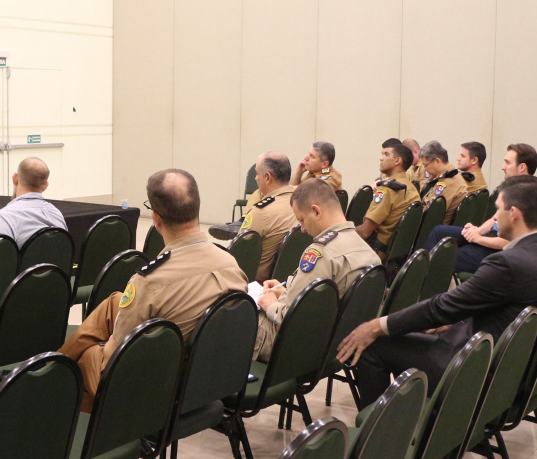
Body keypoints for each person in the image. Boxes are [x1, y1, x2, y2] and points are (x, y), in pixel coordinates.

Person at [336, 176, 537, 406]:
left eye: (497, 210)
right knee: (416, 328)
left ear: (513, 214)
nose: (494, 217)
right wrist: (454, 323)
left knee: (372, 344)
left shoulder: (508, 263)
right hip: (511, 371)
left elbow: (442, 307)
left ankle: (381, 429)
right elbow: (506, 311)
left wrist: (377, 325)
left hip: (471, 369)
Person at [59, 169, 247, 411]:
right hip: (207, 375)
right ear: (196, 208)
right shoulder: (230, 264)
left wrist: (100, 348)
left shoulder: (149, 281)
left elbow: (114, 356)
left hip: (157, 390)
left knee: (85, 357)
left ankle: (55, 373)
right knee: (114, 301)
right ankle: (58, 362)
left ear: (156, 219)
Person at [252, 179, 379, 361]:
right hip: (338, 342)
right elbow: (324, 300)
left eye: (302, 220)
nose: (302, 229)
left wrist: (270, 305)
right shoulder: (368, 252)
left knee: (229, 319)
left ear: (316, 211)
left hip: (297, 346)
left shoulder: (322, 253)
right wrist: (285, 291)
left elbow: (293, 318)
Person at [421, 143, 537, 273]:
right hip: (489, 237)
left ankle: (421, 277)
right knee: (438, 231)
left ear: (522, 167)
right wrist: (477, 231)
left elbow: (511, 242)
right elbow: (494, 219)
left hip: (497, 250)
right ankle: (422, 275)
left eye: (507, 163)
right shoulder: (514, 188)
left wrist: (479, 239)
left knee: (442, 257)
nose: (503, 167)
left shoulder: (527, 197)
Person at [356, 140, 420, 259]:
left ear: (397, 161)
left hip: (375, 253)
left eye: (386, 154)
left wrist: (342, 233)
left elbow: (365, 232)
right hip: (396, 256)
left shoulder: (387, 190)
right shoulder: (412, 189)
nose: (381, 158)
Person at [240, 152, 298, 281]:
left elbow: (239, 254)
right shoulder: (302, 203)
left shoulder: (261, 212)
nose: (256, 178)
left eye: (257, 174)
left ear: (267, 177)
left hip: (258, 284)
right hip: (292, 281)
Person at [418, 141, 468, 225]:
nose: (425, 169)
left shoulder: (448, 181)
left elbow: (430, 213)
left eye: (426, 165)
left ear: (437, 161)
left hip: (434, 228)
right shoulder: (450, 177)